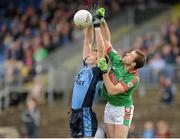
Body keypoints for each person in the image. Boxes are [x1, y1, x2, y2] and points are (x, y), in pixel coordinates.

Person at [95, 7, 146, 138]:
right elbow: (107, 42)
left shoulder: (133, 79)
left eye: (131, 55)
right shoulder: (118, 60)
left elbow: (112, 90)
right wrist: (102, 21)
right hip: (110, 105)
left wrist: (104, 71)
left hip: (123, 109)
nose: (127, 54)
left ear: (133, 64)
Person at [69, 24, 103, 137]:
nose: (90, 54)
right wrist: (89, 24)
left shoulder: (97, 71)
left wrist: (97, 26)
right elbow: (87, 42)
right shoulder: (85, 67)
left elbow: (101, 49)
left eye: (94, 53)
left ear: (98, 60)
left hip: (85, 114)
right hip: (74, 113)